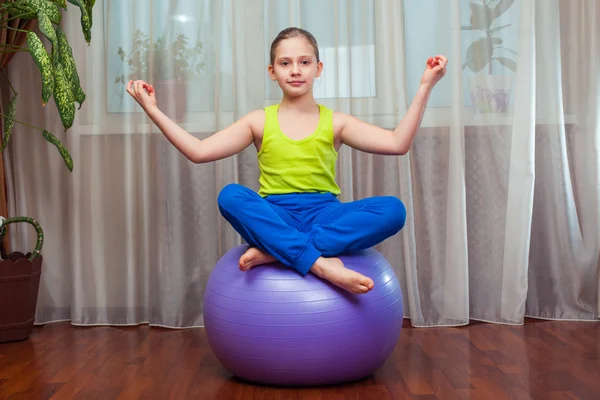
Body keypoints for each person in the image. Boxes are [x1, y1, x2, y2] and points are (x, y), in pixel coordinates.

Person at [126, 27, 447, 295]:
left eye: (304, 62)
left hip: (325, 214)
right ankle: (320, 263)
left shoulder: (336, 122)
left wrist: (425, 87)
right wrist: (152, 109)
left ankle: (278, 251)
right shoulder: (259, 122)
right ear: (273, 72)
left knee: (393, 210)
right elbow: (198, 151)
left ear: (318, 68)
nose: (295, 70)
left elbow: (397, 143)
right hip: (276, 216)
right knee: (230, 196)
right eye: (285, 63)